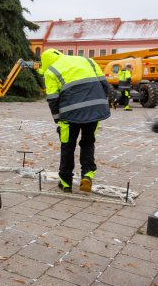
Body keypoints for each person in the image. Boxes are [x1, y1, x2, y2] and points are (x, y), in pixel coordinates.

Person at [39, 49, 112, 194]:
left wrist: (57, 120)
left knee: (67, 146)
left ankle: (66, 183)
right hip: (95, 110)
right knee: (88, 142)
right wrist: (101, 104)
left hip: (70, 114)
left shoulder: (51, 71)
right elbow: (105, 85)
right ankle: (87, 175)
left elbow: (53, 99)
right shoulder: (87, 60)